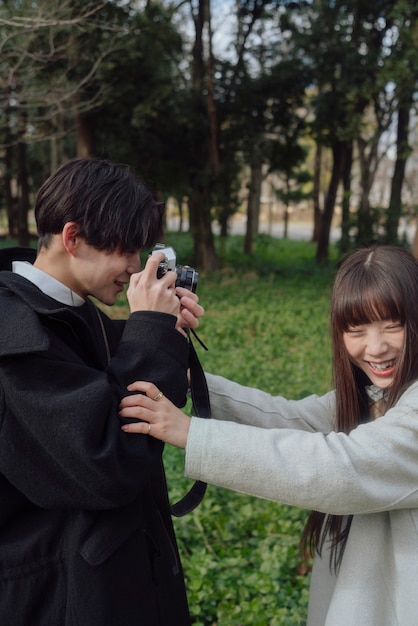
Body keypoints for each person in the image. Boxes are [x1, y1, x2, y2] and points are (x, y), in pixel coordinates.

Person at [119, 244, 418, 626]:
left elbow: (339, 467)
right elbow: (288, 418)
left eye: (393, 325)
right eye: (356, 330)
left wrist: (192, 433)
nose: (375, 347)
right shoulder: (378, 396)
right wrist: (184, 373)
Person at [0, 158, 204, 626]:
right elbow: (107, 460)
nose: (134, 268)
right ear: (71, 238)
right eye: (125, 251)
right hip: (60, 596)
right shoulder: (15, 339)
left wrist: (163, 334)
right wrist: (149, 334)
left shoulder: (68, 311)